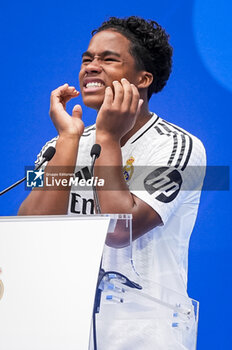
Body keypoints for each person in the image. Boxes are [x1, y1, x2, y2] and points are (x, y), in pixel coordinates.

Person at [18, 16, 206, 349]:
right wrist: (68, 141)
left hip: (144, 337)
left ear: (143, 78)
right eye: (87, 59)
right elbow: (31, 233)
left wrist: (107, 136)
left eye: (108, 59)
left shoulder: (180, 146)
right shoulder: (57, 146)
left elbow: (120, 229)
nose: (91, 67)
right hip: (62, 329)